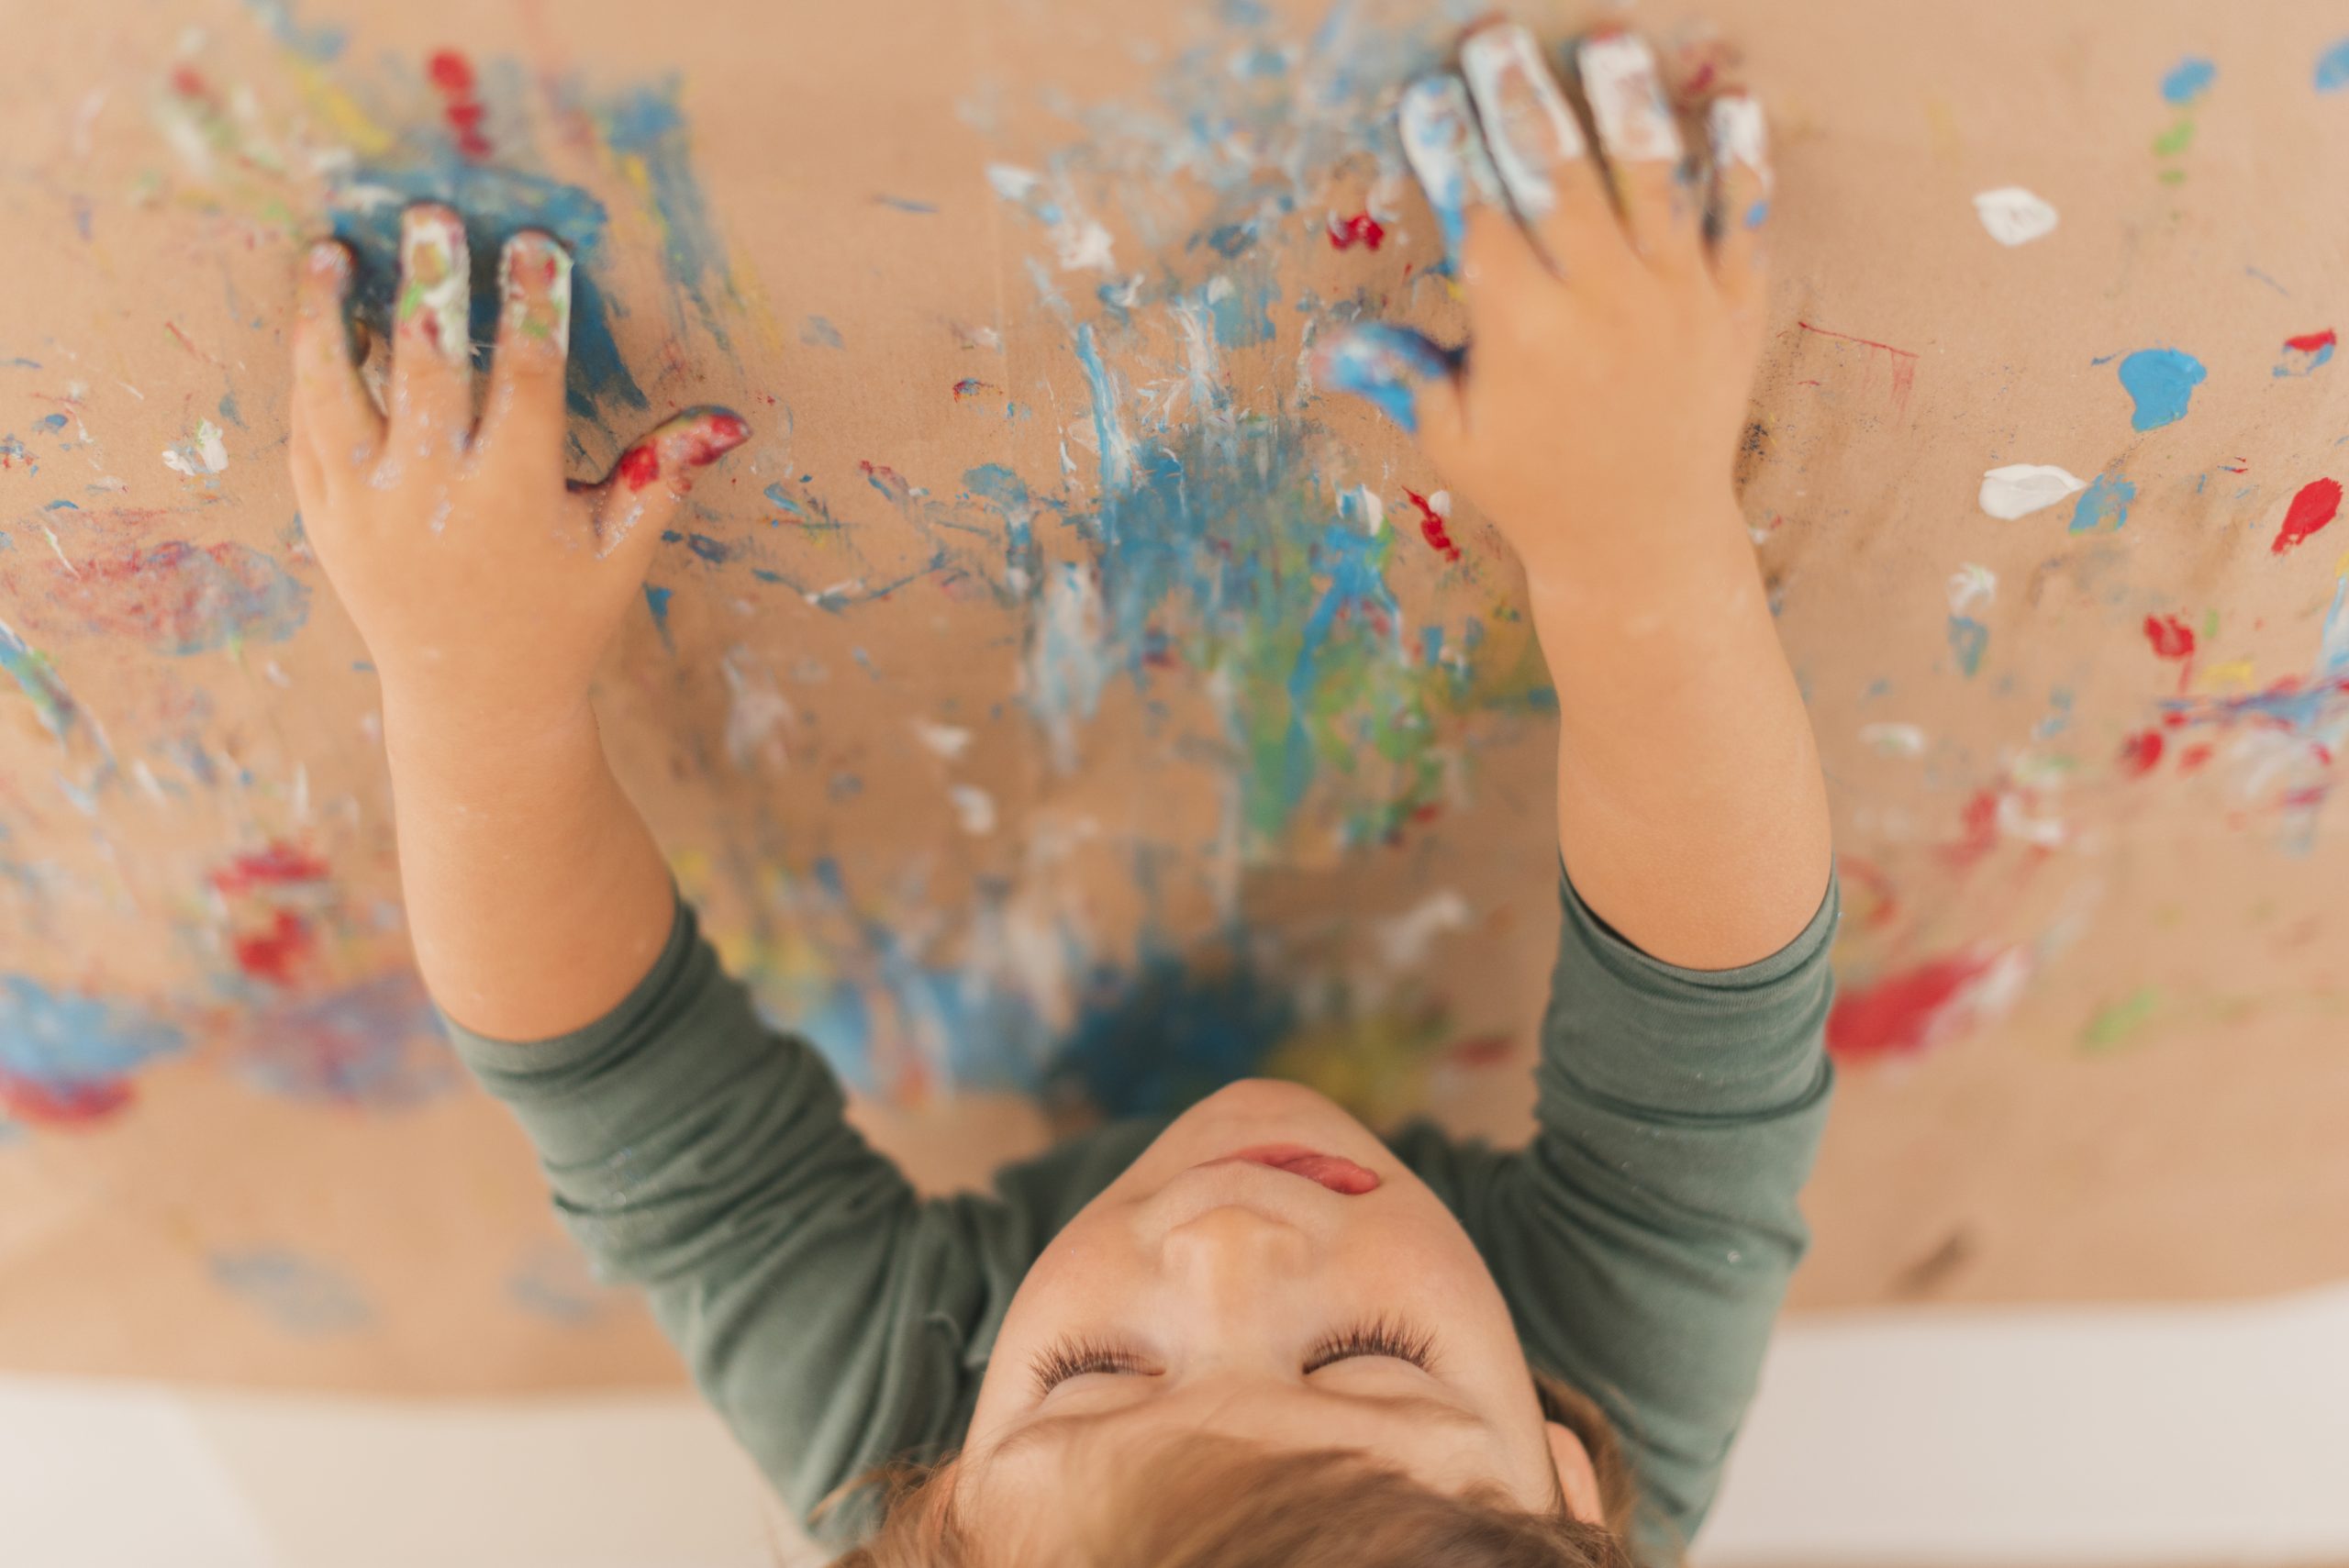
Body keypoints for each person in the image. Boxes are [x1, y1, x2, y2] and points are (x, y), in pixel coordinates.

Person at [284, 17, 1835, 1566]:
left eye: (1094, 1376)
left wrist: (471, 689)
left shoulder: (916, 1464)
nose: (1227, 1243)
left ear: (929, 1493)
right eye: (1371, 1356)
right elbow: (1712, 1001)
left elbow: (618, 1085)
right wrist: (1635, 530)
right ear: (1568, 1483)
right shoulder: (1586, 1466)